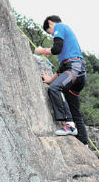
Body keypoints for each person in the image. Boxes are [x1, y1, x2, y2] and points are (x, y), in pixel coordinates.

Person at [34, 15, 88, 145]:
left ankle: (69, 125)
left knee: (54, 88)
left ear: (50, 23)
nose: (52, 35)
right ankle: (84, 143)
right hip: (78, 73)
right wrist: (50, 79)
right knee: (75, 111)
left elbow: (56, 48)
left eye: (49, 32)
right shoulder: (69, 48)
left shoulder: (60, 26)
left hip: (74, 69)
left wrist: (42, 51)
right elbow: (62, 68)